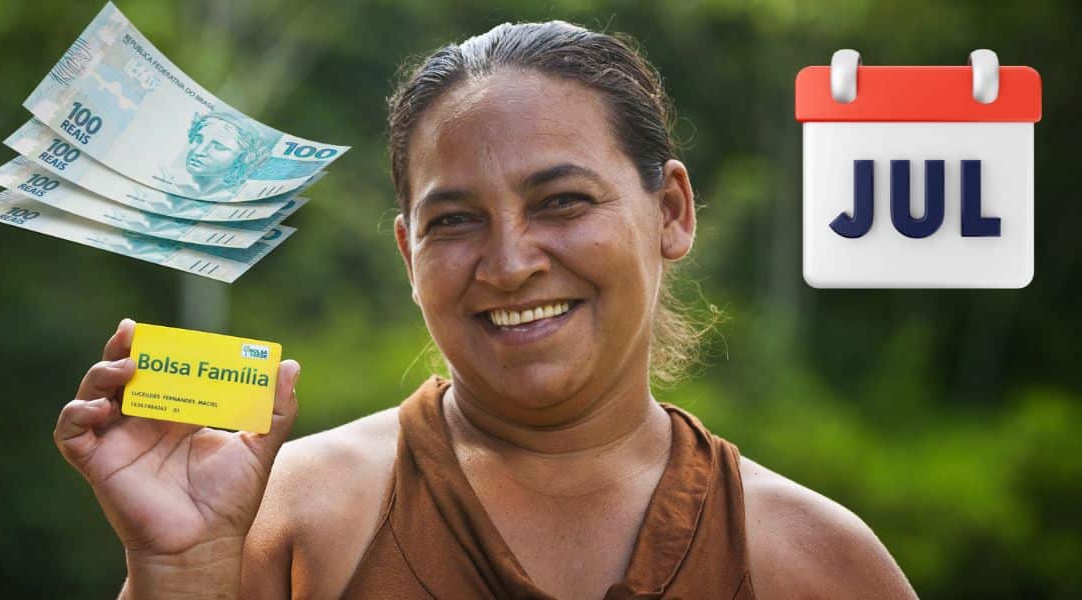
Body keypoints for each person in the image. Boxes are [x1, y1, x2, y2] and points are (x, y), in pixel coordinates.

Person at [54, 21, 919, 599]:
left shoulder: (814, 562)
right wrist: (180, 569)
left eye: (564, 202)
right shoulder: (293, 521)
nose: (508, 264)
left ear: (672, 212)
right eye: (455, 221)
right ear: (408, 254)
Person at [157, 111, 267, 201]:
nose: (198, 151)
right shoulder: (160, 177)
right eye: (198, 139)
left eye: (219, 147)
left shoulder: (234, 198)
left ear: (242, 158)